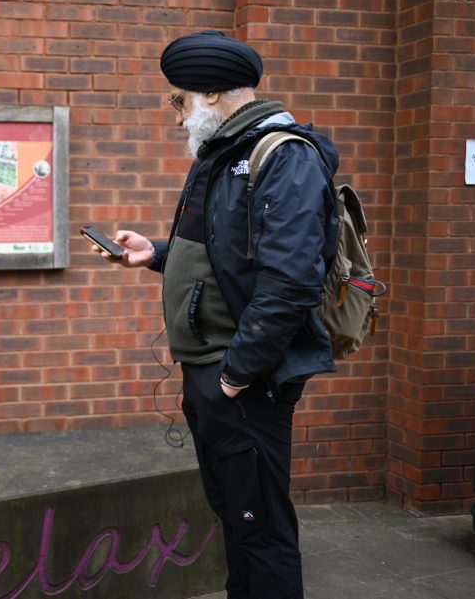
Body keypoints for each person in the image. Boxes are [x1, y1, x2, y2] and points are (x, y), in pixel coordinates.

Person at [92, 30, 339, 598]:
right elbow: (225, 255)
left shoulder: (282, 156)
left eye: (178, 99)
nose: (177, 114)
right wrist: (155, 253)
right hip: (212, 372)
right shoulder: (224, 153)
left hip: (242, 380)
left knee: (262, 530)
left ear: (209, 94)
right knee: (236, 517)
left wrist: (236, 374)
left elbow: (291, 280)